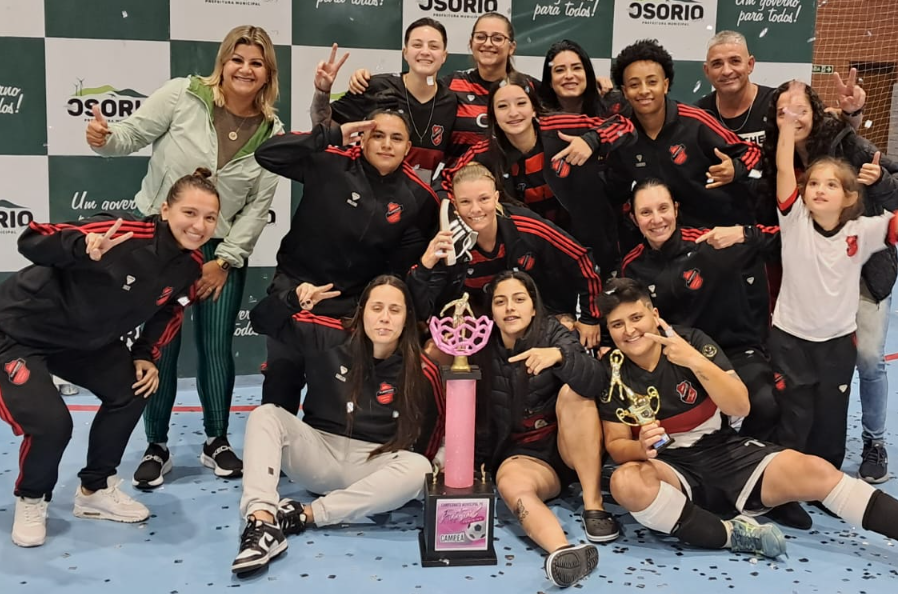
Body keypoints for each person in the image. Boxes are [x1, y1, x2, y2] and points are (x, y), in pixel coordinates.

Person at [86, 25, 285, 487]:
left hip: (219, 252)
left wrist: (226, 259)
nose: (245, 69)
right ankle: (157, 446)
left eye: (256, 62)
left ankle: (217, 442)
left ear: (267, 73)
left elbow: (258, 207)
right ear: (223, 61)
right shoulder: (182, 95)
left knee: (216, 348)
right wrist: (103, 138)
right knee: (159, 348)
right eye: (238, 59)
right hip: (157, 246)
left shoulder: (273, 132)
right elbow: (129, 134)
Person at [595, 278, 898, 559]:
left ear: (654, 315)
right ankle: (732, 536)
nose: (630, 330)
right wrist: (641, 449)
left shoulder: (691, 341)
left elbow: (740, 406)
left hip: (723, 450)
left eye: (636, 318)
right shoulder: (611, 370)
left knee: (817, 471)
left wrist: (694, 361)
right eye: (617, 324)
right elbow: (617, 444)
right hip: (668, 466)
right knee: (626, 483)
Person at [0, 170, 220, 548]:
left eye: (210, 218)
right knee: (53, 426)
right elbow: (32, 238)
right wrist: (79, 248)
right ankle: (33, 498)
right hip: (18, 333)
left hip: (85, 343)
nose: (199, 225)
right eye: (189, 213)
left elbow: (172, 309)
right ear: (165, 209)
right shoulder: (126, 235)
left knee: (133, 389)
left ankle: (94, 490)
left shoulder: (188, 266)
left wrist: (146, 354)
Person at [231, 275, 444, 574]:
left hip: (374, 464)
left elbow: (431, 440)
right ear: (362, 311)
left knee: (420, 467)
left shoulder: (423, 370)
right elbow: (261, 322)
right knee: (266, 415)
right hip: (319, 455)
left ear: (407, 317)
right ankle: (263, 520)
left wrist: (401, 483)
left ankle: (305, 515)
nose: (384, 317)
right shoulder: (328, 337)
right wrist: (292, 299)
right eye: (377, 307)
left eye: (395, 310)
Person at [253, 109, 439, 414]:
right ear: (363, 137)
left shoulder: (419, 197)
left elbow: (411, 266)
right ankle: (272, 455)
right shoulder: (331, 160)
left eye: (396, 138)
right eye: (378, 135)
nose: (386, 145)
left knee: (338, 393)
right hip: (297, 288)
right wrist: (332, 135)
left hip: (353, 306)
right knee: (281, 379)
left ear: (408, 148)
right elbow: (267, 154)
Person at [763, 80, 898, 480]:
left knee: (866, 365)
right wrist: (786, 131)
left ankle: (869, 445)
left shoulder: (862, 226)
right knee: (795, 414)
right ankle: (787, 477)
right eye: (814, 184)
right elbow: (786, 170)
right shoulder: (794, 218)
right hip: (791, 336)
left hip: (839, 334)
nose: (821, 190)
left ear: (850, 195)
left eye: (799, 108)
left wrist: (884, 184)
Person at [474, 271, 614, 588]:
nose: (510, 308)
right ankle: (563, 553)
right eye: (500, 301)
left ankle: (594, 506)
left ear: (534, 306)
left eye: (519, 299)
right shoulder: (481, 345)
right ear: (492, 311)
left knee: (574, 391)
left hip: (568, 447)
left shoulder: (553, 332)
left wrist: (561, 357)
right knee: (511, 486)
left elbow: (597, 381)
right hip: (523, 457)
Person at [620, 179, 780, 440]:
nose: (657, 219)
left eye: (663, 208)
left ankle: (746, 453)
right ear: (635, 218)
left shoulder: (711, 243)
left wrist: (744, 233)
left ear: (676, 208)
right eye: (646, 212)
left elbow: (787, 239)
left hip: (734, 350)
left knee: (765, 404)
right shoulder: (632, 266)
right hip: (678, 359)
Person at [445, 72, 635, 278]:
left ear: (534, 108)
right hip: (534, 260)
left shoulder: (559, 128)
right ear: (493, 116)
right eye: (502, 106)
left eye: (520, 103)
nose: (513, 113)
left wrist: (592, 140)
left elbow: (624, 126)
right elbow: (444, 181)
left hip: (593, 247)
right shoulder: (486, 152)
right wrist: (453, 215)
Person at [409, 162, 604, 349]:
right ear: (455, 205)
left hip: (540, 317)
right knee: (434, 350)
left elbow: (581, 257)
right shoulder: (448, 241)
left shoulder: (526, 226)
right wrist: (425, 265)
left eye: (483, 199)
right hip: (480, 328)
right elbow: (423, 309)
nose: (475, 209)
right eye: (465, 202)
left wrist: (589, 317)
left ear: (496, 198)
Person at [605, 39, 761, 246]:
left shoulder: (696, 122)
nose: (643, 91)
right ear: (624, 91)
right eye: (634, 85)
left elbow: (754, 153)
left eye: (652, 82)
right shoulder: (621, 134)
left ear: (665, 84)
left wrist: (737, 167)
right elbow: (614, 188)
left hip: (714, 236)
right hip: (662, 243)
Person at [350, 12, 540, 165]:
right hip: (457, 189)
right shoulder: (451, 85)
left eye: (497, 38)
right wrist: (367, 79)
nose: (488, 43)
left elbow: (555, 127)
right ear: (471, 43)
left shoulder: (530, 88)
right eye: (481, 37)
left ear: (512, 47)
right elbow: (415, 86)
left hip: (516, 187)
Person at [310, 18, 457, 182]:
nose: (425, 51)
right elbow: (323, 125)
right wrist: (323, 91)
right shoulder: (376, 87)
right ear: (405, 53)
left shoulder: (450, 101)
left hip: (419, 200)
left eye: (433, 46)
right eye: (417, 45)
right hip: (368, 195)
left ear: (444, 56)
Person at [538, 39, 626, 119]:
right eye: (560, 70)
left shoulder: (613, 108)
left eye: (576, 68)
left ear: (587, 74)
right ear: (549, 80)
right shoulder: (537, 115)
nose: (569, 76)